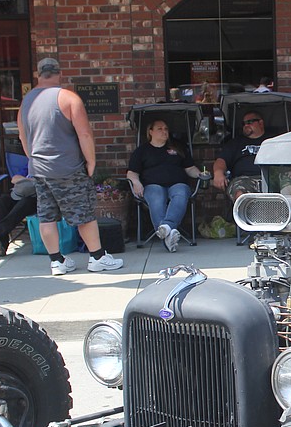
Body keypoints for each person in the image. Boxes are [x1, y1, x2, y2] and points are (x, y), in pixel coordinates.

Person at [17, 57, 123, 276]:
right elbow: (84, 133)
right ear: (59, 73)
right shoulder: (68, 98)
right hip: (67, 167)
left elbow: (22, 136)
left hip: (39, 168)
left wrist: (33, 160)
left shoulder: (26, 101)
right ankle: (97, 257)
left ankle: (57, 261)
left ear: (38, 74)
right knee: (83, 214)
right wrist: (91, 161)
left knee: (46, 217)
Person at [126, 117, 210, 252]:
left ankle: (166, 227)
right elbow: (132, 173)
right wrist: (136, 183)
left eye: (166, 129)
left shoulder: (177, 147)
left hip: (177, 183)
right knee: (156, 197)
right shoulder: (142, 151)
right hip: (152, 185)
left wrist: (200, 174)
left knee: (181, 193)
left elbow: (189, 168)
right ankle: (168, 236)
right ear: (150, 132)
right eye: (160, 129)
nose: (164, 131)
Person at [0, 153, 37, 258]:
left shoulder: (47, 165)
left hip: (37, 198)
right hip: (19, 194)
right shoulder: (31, 163)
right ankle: (1, 244)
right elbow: (15, 179)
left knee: (24, 203)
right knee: (1, 201)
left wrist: (26, 181)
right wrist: (29, 181)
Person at [212, 111, 269, 200]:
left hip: (270, 178)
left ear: (260, 123)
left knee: (288, 189)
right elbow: (221, 160)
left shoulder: (273, 140)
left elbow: (287, 156)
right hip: (244, 179)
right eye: (243, 123)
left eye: (249, 122)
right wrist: (218, 173)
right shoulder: (235, 143)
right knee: (241, 196)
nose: (246, 125)